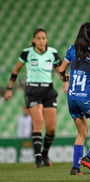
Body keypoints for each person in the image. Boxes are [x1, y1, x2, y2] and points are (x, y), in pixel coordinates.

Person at [4, 28, 67, 168]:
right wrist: (9, 88)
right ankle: (38, 159)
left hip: (48, 90)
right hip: (33, 90)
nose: (41, 41)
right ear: (33, 40)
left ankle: (44, 154)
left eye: (44, 38)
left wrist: (65, 81)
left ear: (46, 39)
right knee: (38, 124)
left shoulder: (52, 53)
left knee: (51, 128)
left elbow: (60, 70)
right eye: (38, 38)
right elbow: (16, 71)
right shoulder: (27, 53)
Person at [57, 22, 90, 175]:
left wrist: (67, 79)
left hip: (72, 97)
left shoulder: (72, 50)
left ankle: (75, 168)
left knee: (81, 133)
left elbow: (61, 69)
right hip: (88, 99)